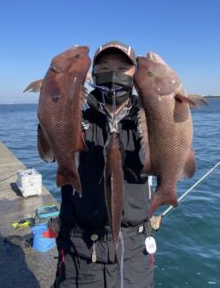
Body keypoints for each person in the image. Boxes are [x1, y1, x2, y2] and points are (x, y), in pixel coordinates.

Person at [53, 41, 155, 287]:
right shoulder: (78, 117)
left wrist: (157, 100)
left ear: (135, 74)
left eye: (122, 67)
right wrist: (65, 88)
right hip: (80, 253)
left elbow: (161, 160)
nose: (114, 73)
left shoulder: (145, 119)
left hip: (134, 255)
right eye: (106, 66)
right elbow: (49, 149)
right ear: (93, 72)